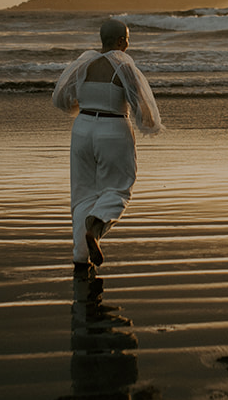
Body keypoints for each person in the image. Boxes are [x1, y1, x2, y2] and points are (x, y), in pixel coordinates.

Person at [53, 18, 163, 274]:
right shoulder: (123, 66)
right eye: (127, 38)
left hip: (82, 129)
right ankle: (97, 224)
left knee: (82, 194)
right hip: (113, 129)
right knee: (119, 188)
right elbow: (139, 106)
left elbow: (61, 97)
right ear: (120, 41)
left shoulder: (84, 63)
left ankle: (81, 256)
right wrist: (146, 124)